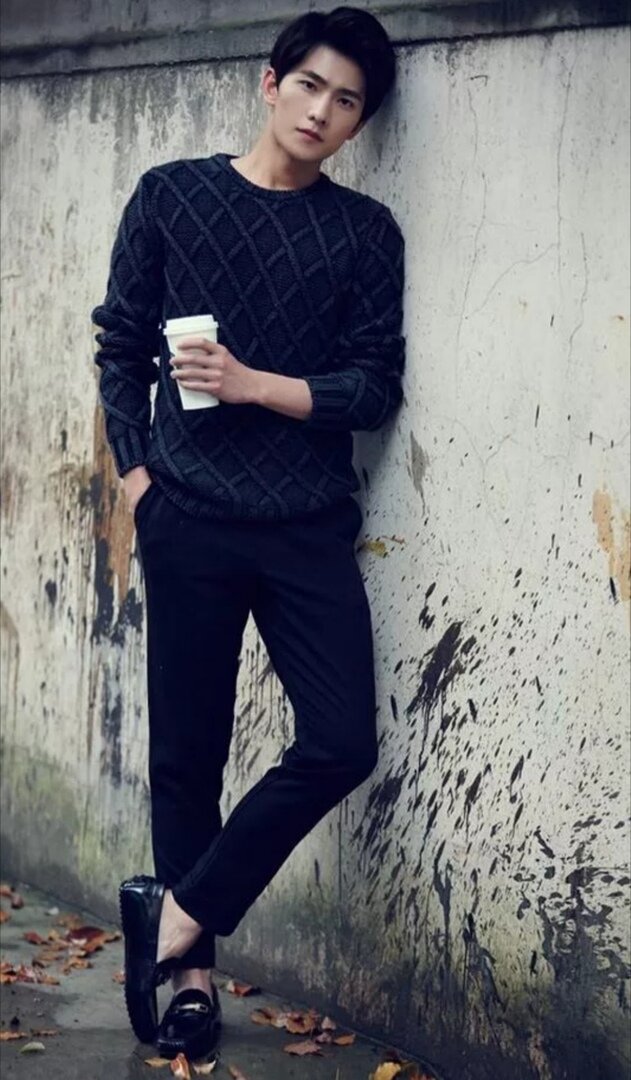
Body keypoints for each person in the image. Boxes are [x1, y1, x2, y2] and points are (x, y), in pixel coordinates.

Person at [91, 4, 405, 1062]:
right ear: (270, 84)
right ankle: (189, 982)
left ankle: (178, 915)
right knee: (188, 756)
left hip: (305, 524)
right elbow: (120, 345)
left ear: (359, 123)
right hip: (188, 516)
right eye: (309, 85)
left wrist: (251, 384)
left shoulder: (363, 233)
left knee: (340, 741)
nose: (322, 111)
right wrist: (139, 478)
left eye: (347, 101)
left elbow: (371, 388)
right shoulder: (171, 195)